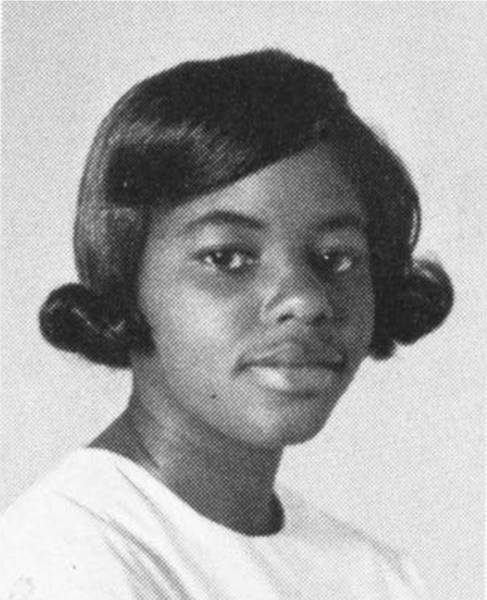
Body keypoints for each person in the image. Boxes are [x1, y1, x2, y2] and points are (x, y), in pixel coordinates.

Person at [0, 50, 453, 599]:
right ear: (127, 278)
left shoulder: (377, 576)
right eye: (229, 257)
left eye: (336, 257)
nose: (306, 299)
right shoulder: (61, 559)